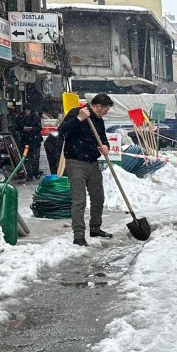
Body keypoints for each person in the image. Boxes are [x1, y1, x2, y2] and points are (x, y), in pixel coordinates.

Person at [58, 93, 114, 246]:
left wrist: (105, 147)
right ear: (98, 106)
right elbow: (61, 131)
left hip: (92, 163)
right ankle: (79, 236)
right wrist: (79, 119)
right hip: (75, 162)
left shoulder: (99, 121)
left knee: (98, 197)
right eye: (105, 110)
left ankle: (95, 228)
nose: (106, 112)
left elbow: (103, 139)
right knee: (79, 200)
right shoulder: (76, 112)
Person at [15, 106, 43, 178]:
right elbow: (17, 127)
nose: (26, 112)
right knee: (27, 157)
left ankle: (35, 172)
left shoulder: (35, 117)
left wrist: (31, 128)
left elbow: (39, 128)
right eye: (25, 110)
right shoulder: (21, 118)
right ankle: (29, 173)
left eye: (28, 110)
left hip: (34, 139)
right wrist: (23, 129)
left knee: (35, 157)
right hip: (26, 139)